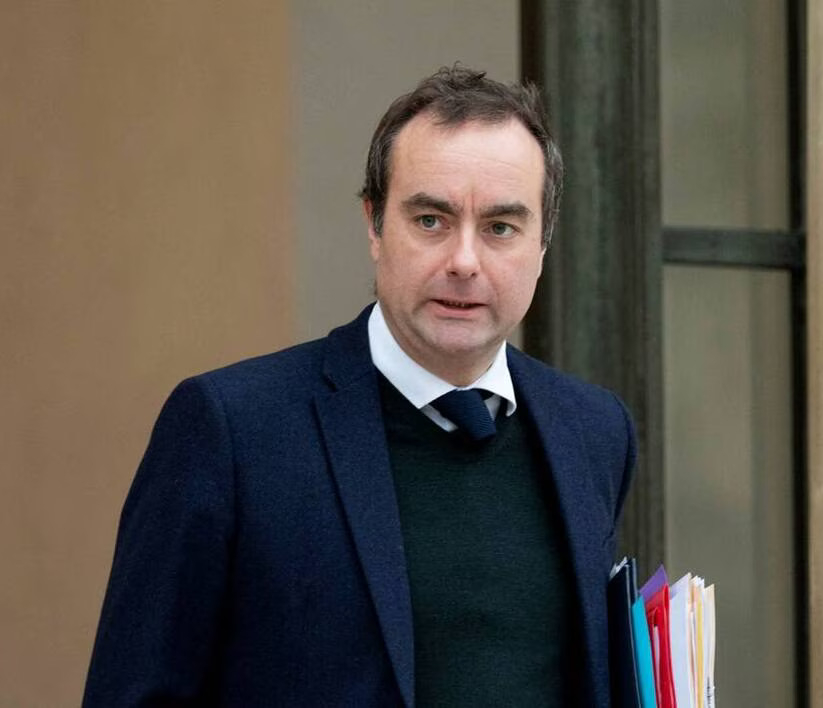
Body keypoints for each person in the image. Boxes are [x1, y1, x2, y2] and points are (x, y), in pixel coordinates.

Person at [84, 65, 636, 707]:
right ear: (374, 225)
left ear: (543, 244)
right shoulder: (231, 430)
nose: (464, 260)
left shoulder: (595, 430)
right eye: (430, 220)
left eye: (500, 228)